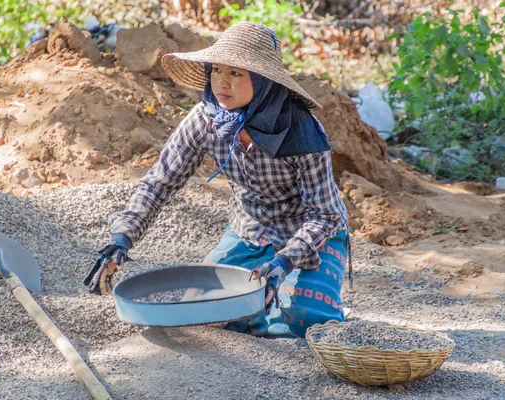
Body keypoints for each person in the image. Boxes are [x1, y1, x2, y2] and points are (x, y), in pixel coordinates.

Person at [83, 22, 351, 338]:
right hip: (248, 232)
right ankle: (258, 311)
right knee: (204, 307)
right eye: (216, 71)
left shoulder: (302, 130)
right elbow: (160, 181)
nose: (222, 83)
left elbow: (326, 215)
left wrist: (283, 264)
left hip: (307, 238)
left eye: (236, 73)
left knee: (304, 316)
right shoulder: (205, 119)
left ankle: (291, 303)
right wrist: (121, 239)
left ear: (263, 80)